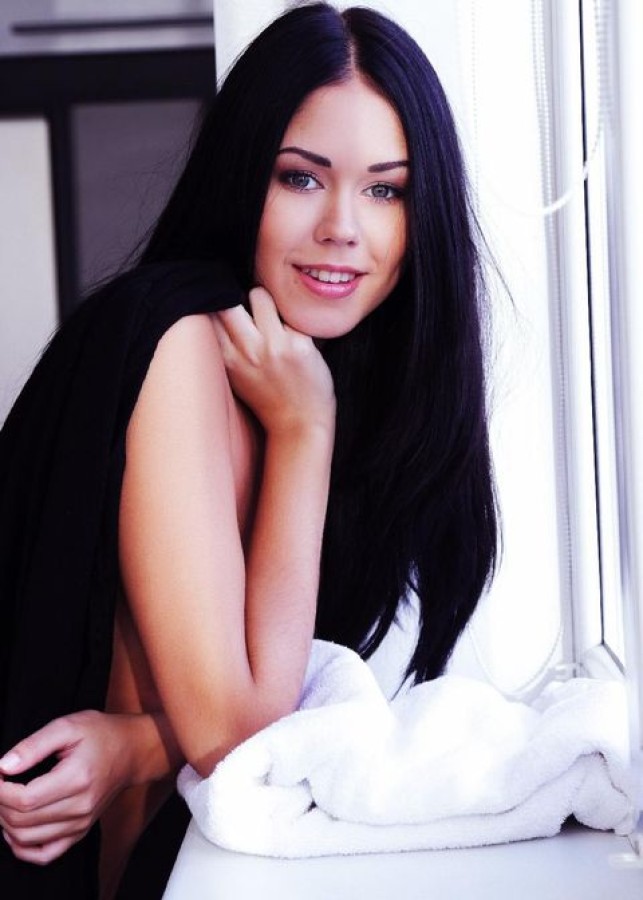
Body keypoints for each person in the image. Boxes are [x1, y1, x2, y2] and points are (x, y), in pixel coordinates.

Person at [0, 3, 498, 897]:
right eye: (301, 178)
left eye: (386, 190)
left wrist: (137, 744)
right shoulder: (179, 339)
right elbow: (237, 738)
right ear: (243, 177)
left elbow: (275, 693)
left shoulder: (341, 378)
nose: (342, 226)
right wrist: (305, 431)